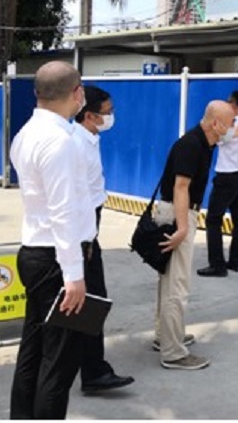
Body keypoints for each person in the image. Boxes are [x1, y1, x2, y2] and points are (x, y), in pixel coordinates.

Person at [153, 100, 238, 369]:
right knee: (176, 285)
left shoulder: (208, 138)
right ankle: (173, 352)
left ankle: (165, 336)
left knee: (169, 281)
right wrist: (182, 227)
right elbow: (180, 188)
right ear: (216, 124)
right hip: (176, 214)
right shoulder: (191, 145)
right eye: (229, 123)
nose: (233, 128)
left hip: (179, 212)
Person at [8, 61, 96, 419]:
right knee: (59, 363)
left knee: (33, 352)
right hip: (56, 261)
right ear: (77, 93)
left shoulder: (26, 133)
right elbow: (63, 213)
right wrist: (73, 275)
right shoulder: (60, 142)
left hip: (36, 253)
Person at [71, 85, 134, 394]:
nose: (112, 117)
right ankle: (92, 371)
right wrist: (84, 243)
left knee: (93, 299)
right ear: (90, 115)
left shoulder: (89, 139)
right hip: (81, 229)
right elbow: (74, 198)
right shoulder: (76, 144)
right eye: (107, 113)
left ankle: (91, 368)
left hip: (90, 226)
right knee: (92, 298)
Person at [198, 90, 238, 277]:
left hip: (226, 176)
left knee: (213, 219)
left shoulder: (231, 126)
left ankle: (217, 265)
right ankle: (236, 261)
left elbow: (216, 140)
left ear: (233, 104)